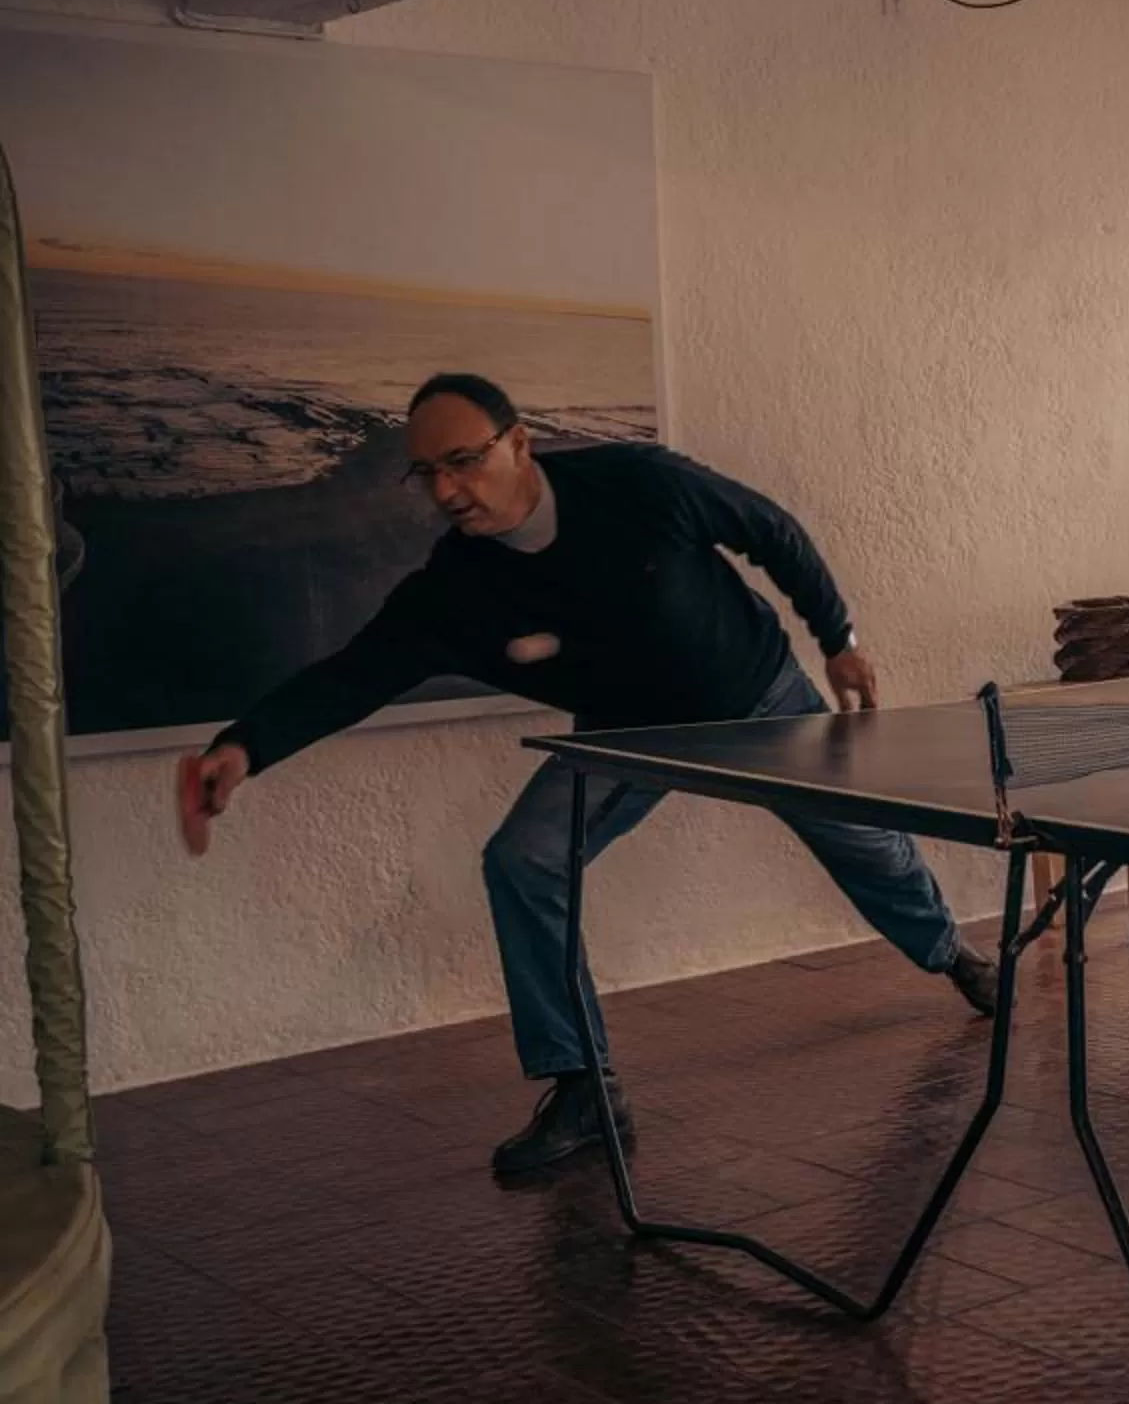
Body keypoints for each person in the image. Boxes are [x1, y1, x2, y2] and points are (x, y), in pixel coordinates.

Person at [185, 373, 1003, 1175]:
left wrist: (839, 638)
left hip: (756, 699)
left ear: (519, 444)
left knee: (861, 841)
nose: (445, 491)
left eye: (464, 461)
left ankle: (951, 955)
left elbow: (771, 529)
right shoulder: (453, 591)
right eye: (426, 472)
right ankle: (582, 1087)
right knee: (523, 858)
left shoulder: (640, 484)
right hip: (627, 734)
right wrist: (245, 747)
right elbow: (352, 675)